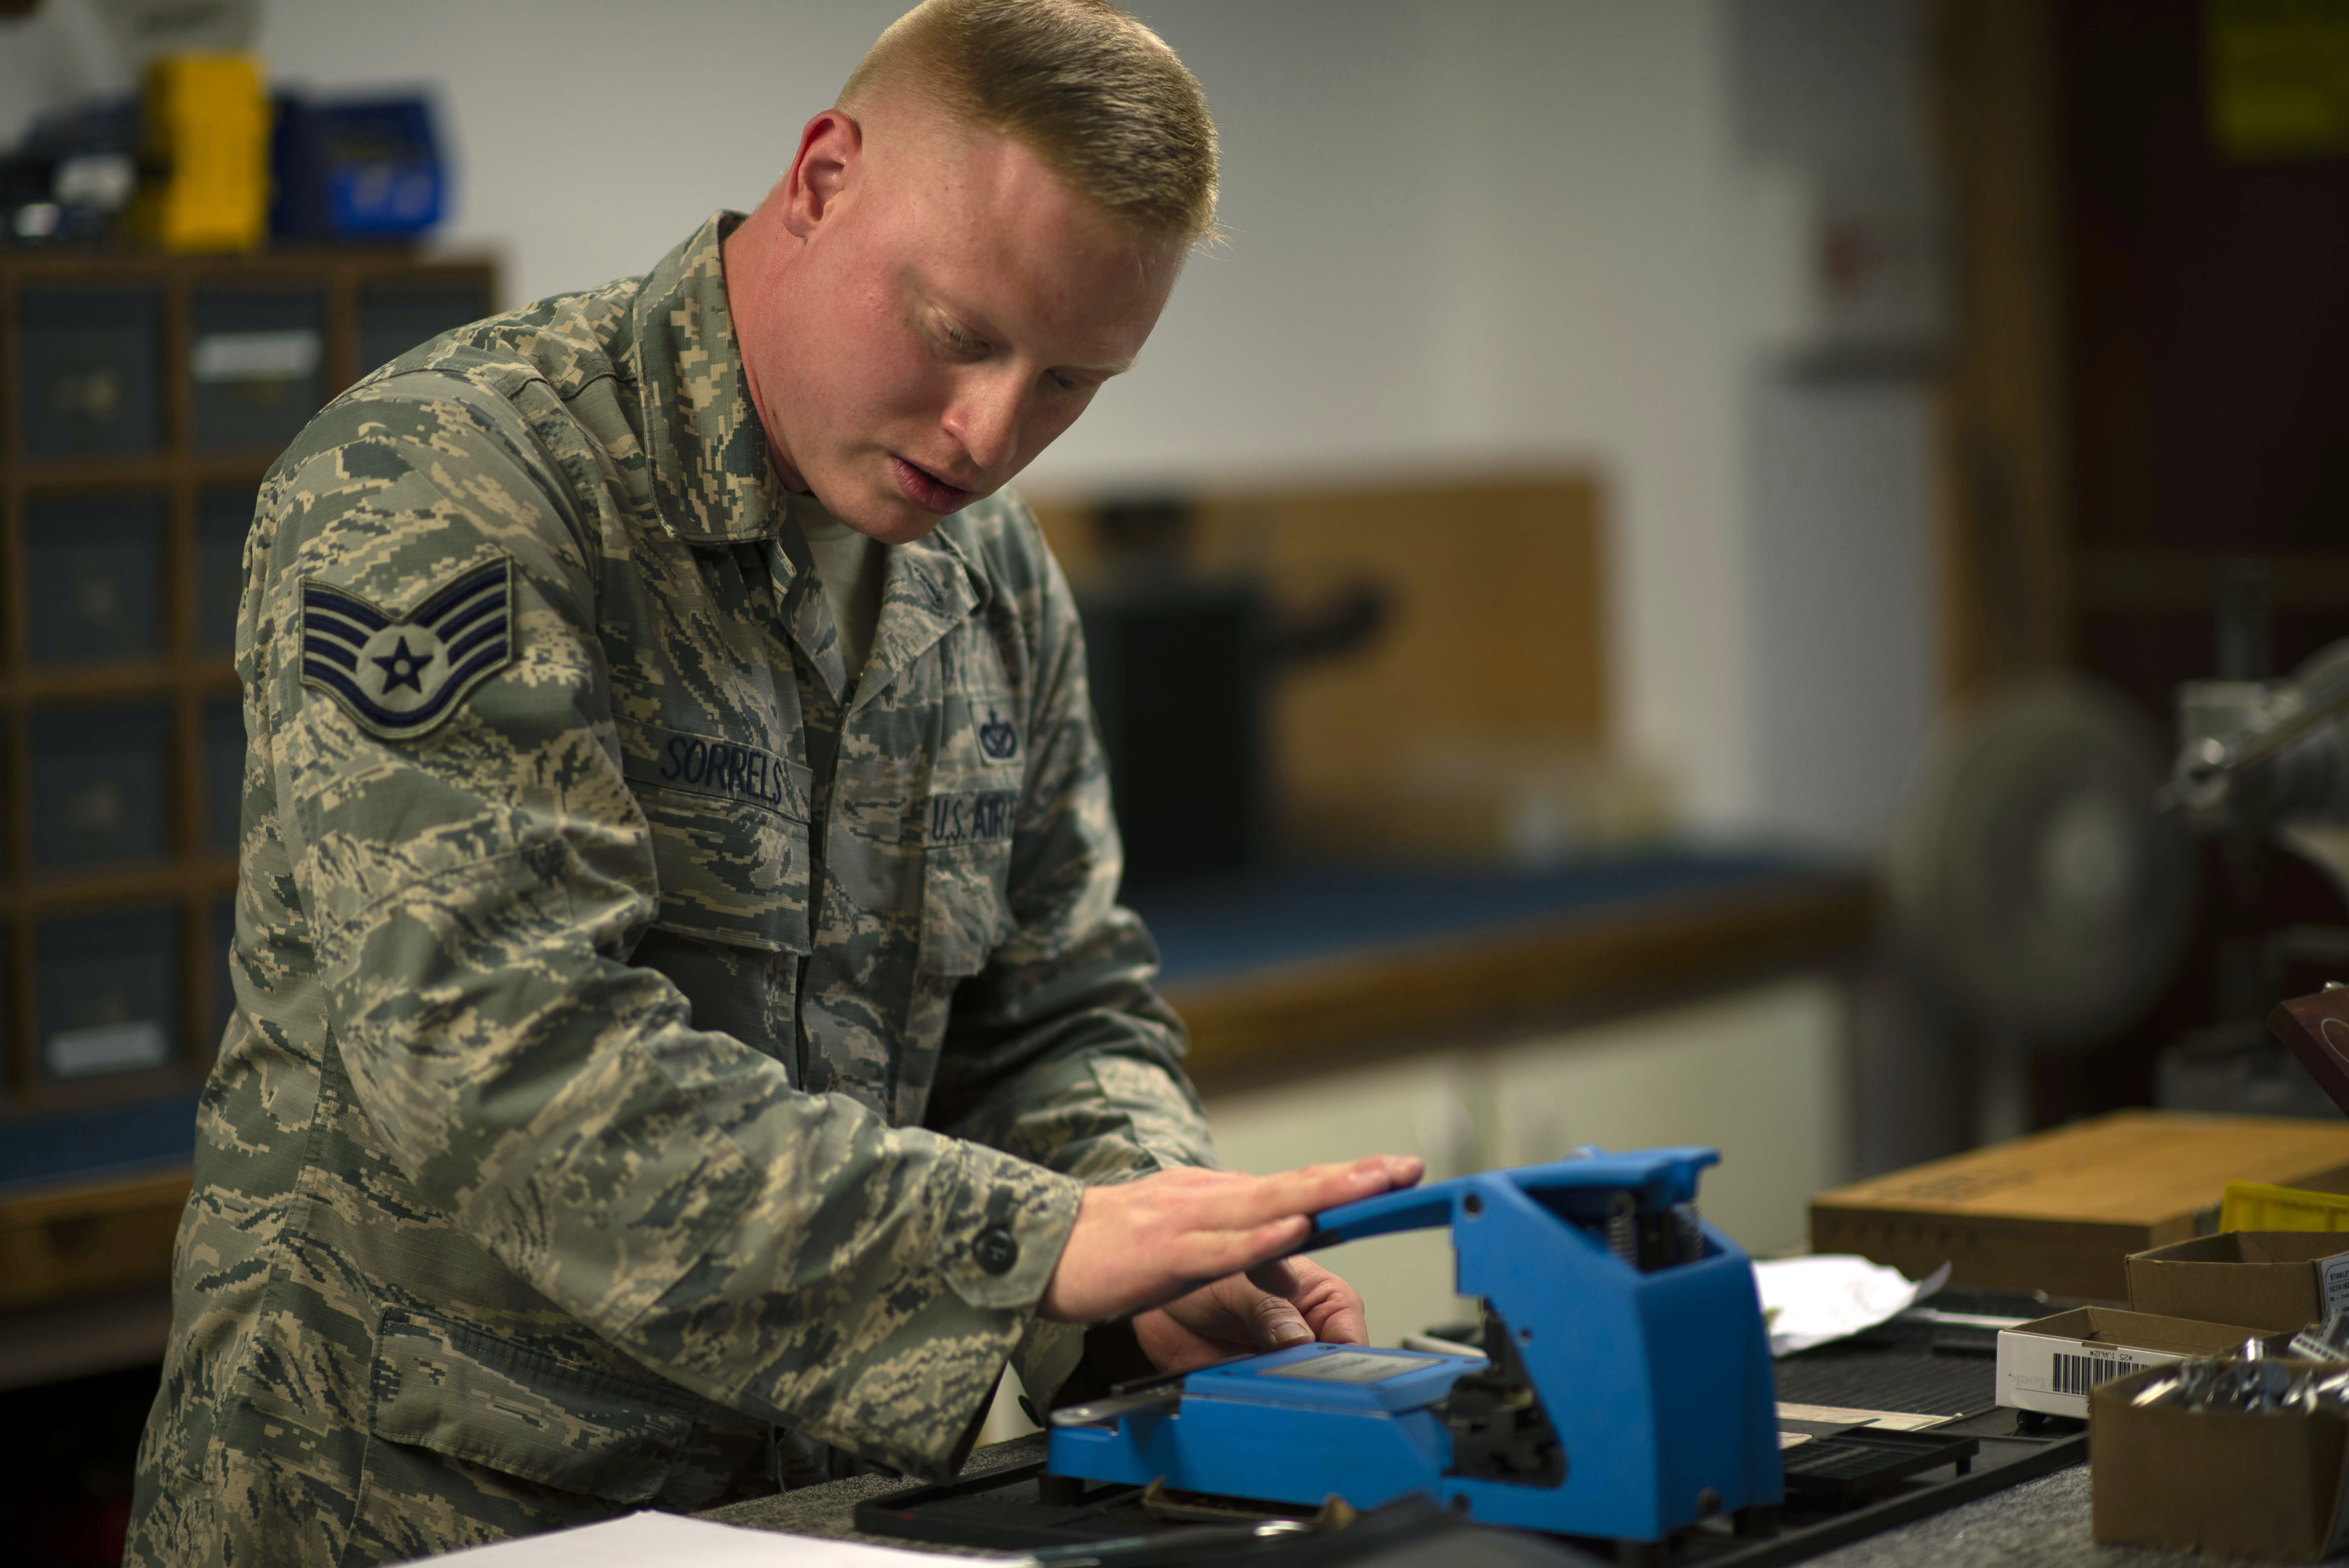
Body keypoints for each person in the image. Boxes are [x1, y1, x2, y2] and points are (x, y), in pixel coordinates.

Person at [125, 2, 1421, 1564]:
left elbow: (1056, 1006)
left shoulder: (989, 580)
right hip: (420, 1508)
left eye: (1074, 381)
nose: (993, 432)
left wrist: (1156, 1235)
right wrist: (1034, 1245)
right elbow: (499, 1064)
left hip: (803, 1508)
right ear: (820, 179)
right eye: (959, 335)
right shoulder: (450, 484)